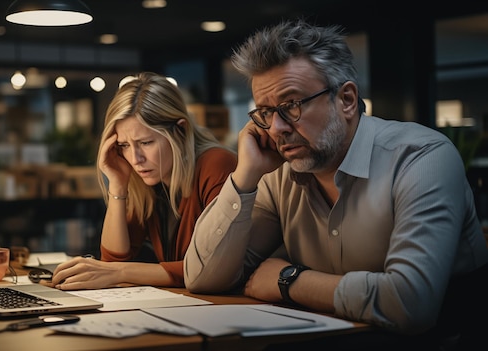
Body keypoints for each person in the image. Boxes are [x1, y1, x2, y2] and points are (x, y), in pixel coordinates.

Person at [183, 20, 488, 349]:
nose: (276, 128)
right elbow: (202, 279)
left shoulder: (421, 158)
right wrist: (244, 178)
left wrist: (290, 280)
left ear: (346, 99)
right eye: (265, 112)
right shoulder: (277, 173)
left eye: (290, 106)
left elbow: (411, 305)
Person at [48, 72, 237, 290]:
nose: (135, 159)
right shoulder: (148, 181)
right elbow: (113, 259)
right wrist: (118, 185)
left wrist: (121, 272)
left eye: (146, 142)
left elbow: (214, 268)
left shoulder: (217, 164)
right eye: (125, 145)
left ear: (181, 131)